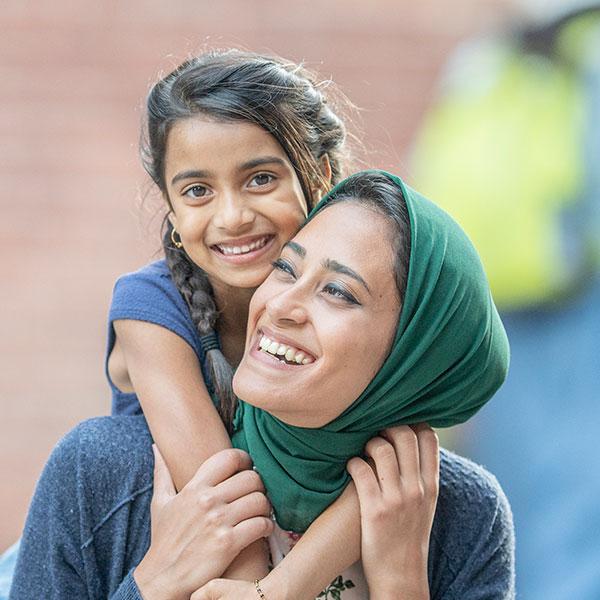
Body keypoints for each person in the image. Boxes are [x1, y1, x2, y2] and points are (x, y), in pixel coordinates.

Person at [10, 171, 515, 599]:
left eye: (337, 292)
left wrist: (403, 581)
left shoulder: (462, 515)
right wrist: (153, 583)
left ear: (416, 353)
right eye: (285, 269)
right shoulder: (104, 471)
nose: (280, 305)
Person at [410, 5, 600, 597]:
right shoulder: (583, 54)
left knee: (510, 494)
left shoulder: (494, 56)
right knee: (580, 507)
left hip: (493, 301)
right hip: (578, 303)